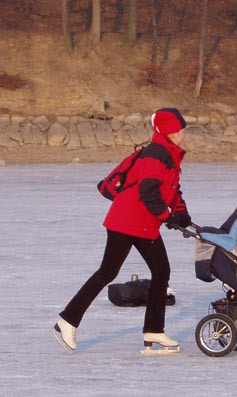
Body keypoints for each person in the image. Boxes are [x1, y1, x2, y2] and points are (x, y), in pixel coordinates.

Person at [52, 108, 192, 354]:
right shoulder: (156, 153)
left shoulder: (169, 153)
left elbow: (171, 187)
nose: (183, 133)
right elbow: (148, 190)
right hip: (126, 221)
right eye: (180, 129)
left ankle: (154, 331)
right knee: (108, 271)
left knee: (161, 270)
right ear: (170, 132)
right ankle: (67, 320)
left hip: (144, 223)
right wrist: (166, 215)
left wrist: (181, 212)